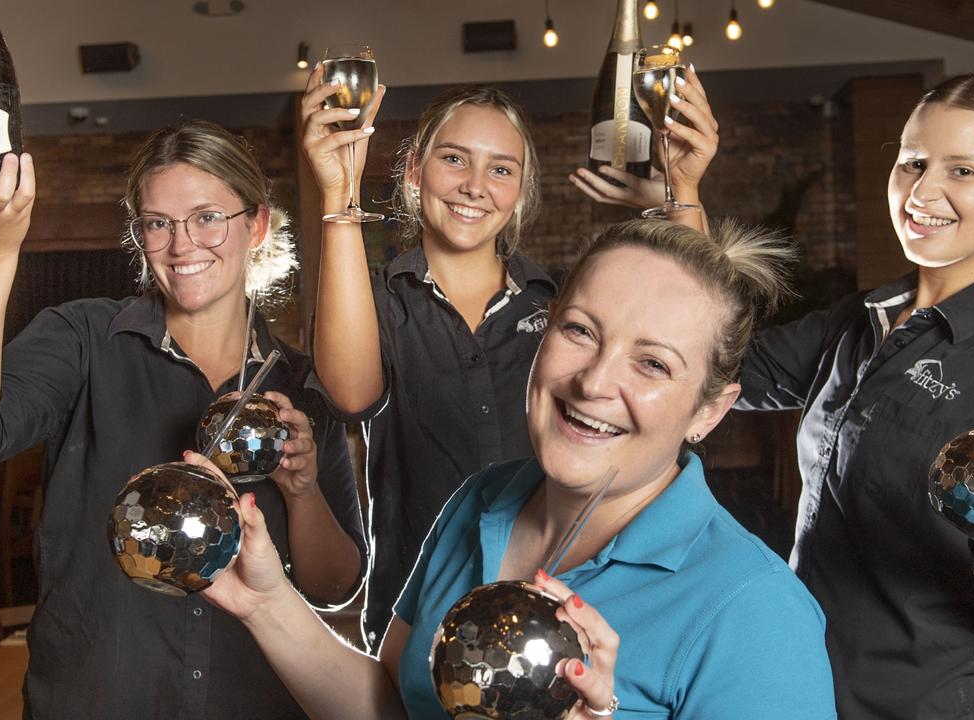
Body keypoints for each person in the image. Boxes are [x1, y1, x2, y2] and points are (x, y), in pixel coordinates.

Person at [586, 73, 974, 718]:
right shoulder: (867, 317)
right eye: (912, 163)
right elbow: (716, 364)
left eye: (963, 171)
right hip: (810, 687)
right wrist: (686, 195)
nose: (922, 192)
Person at [200, 218, 837, 719]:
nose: (593, 382)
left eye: (653, 364)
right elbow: (391, 706)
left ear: (710, 409)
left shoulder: (754, 611)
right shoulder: (480, 500)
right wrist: (267, 605)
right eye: (581, 331)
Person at [0, 121, 367, 719]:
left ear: (256, 226)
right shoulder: (83, 340)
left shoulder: (303, 386)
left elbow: (334, 588)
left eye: (208, 216)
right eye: (159, 223)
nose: (183, 245)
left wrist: (303, 492)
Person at [300, 68, 718, 651]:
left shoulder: (559, 307)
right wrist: (338, 192)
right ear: (415, 171)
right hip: (420, 619)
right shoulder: (371, 301)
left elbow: (692, 320)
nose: (476, 185)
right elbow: (350, 396)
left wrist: (684, 190)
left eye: (501, 169)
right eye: (454, 159)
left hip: (564, 611)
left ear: (520, 191)